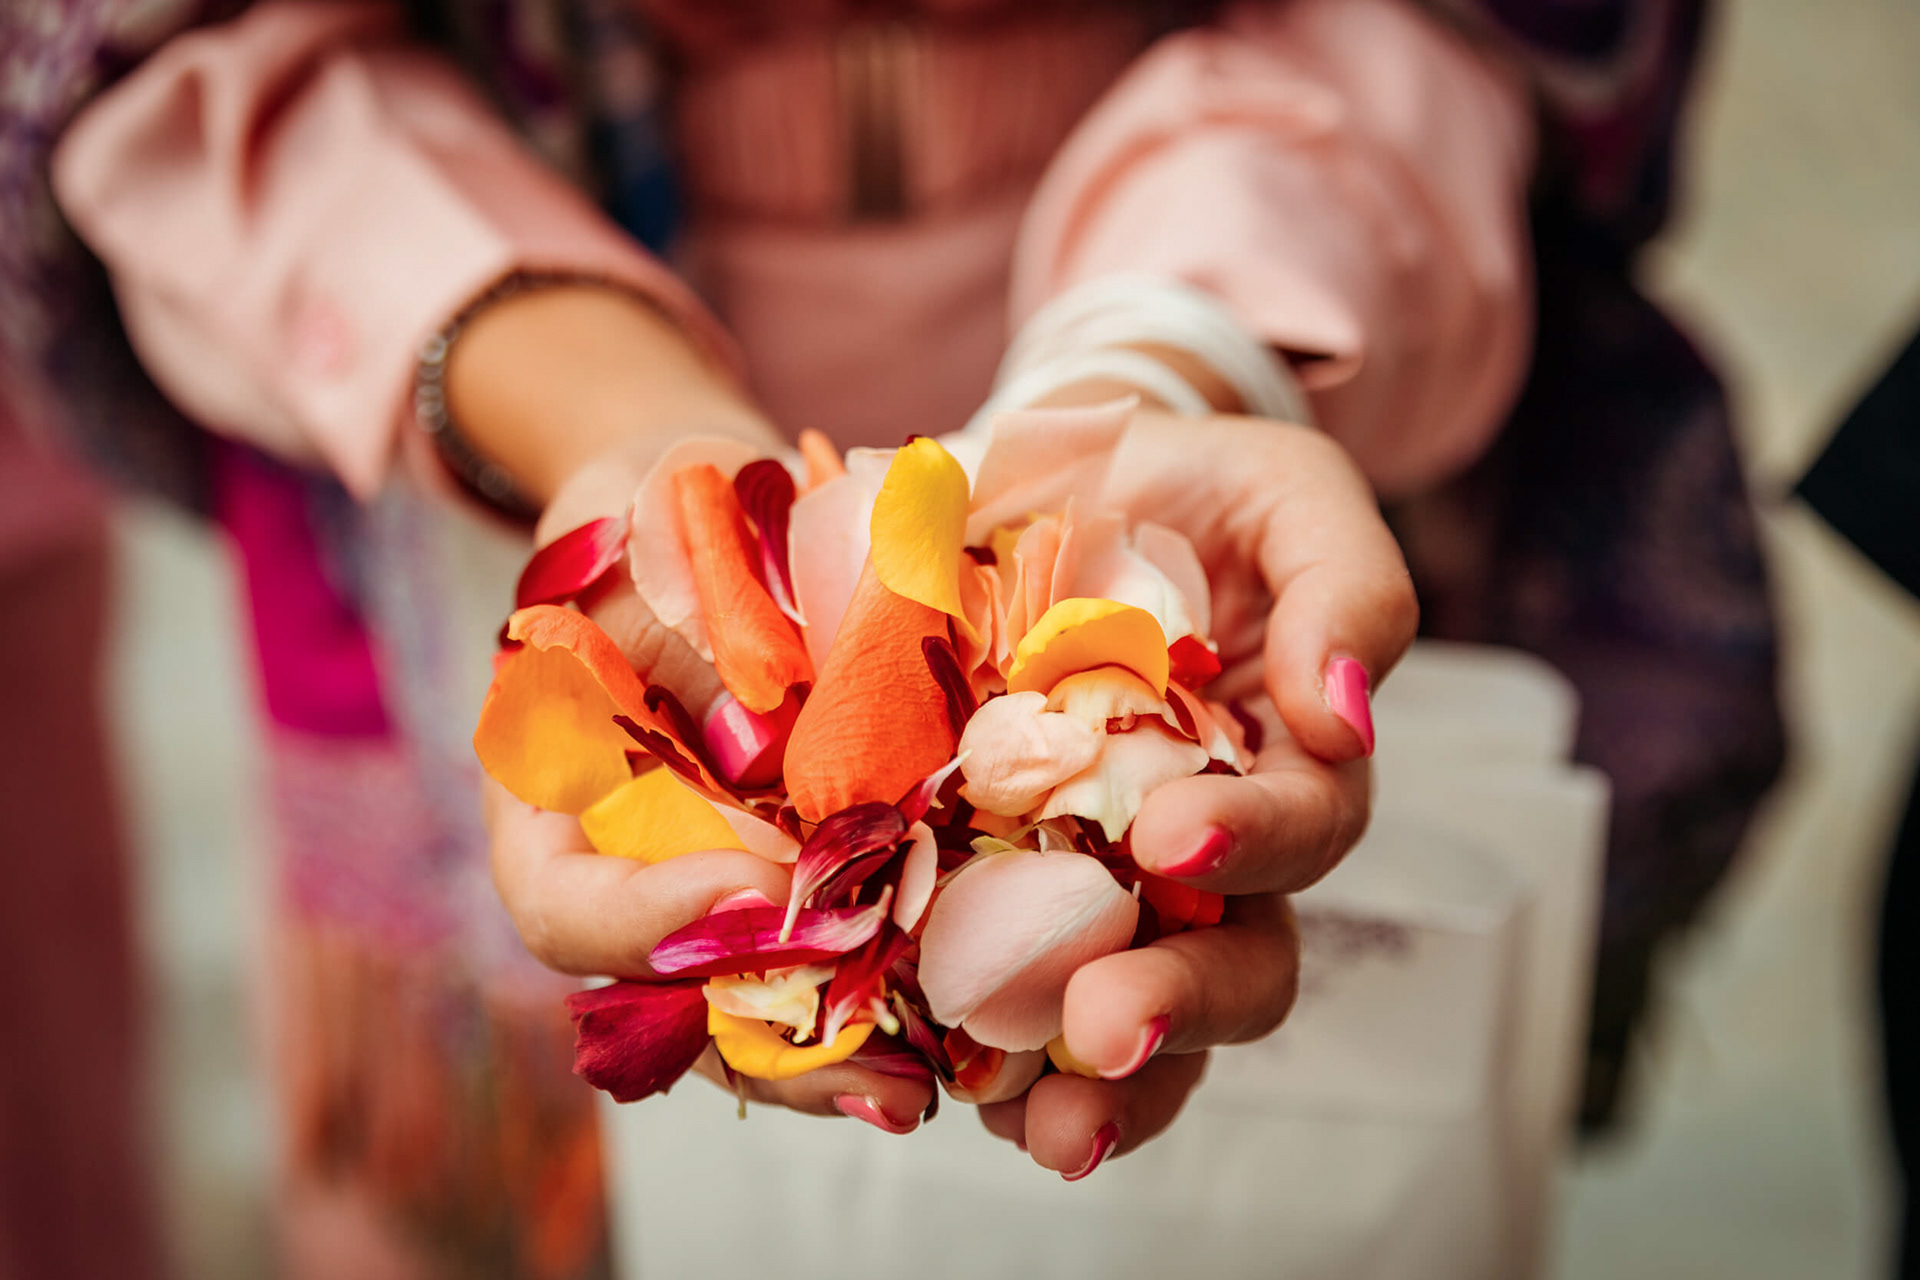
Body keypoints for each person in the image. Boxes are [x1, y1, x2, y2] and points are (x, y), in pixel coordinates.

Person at [6, 0, 1781, 1273]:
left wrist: (1168, 362)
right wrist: (611, 421)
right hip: (481, 411)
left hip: (1251, 362)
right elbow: (159, 47)